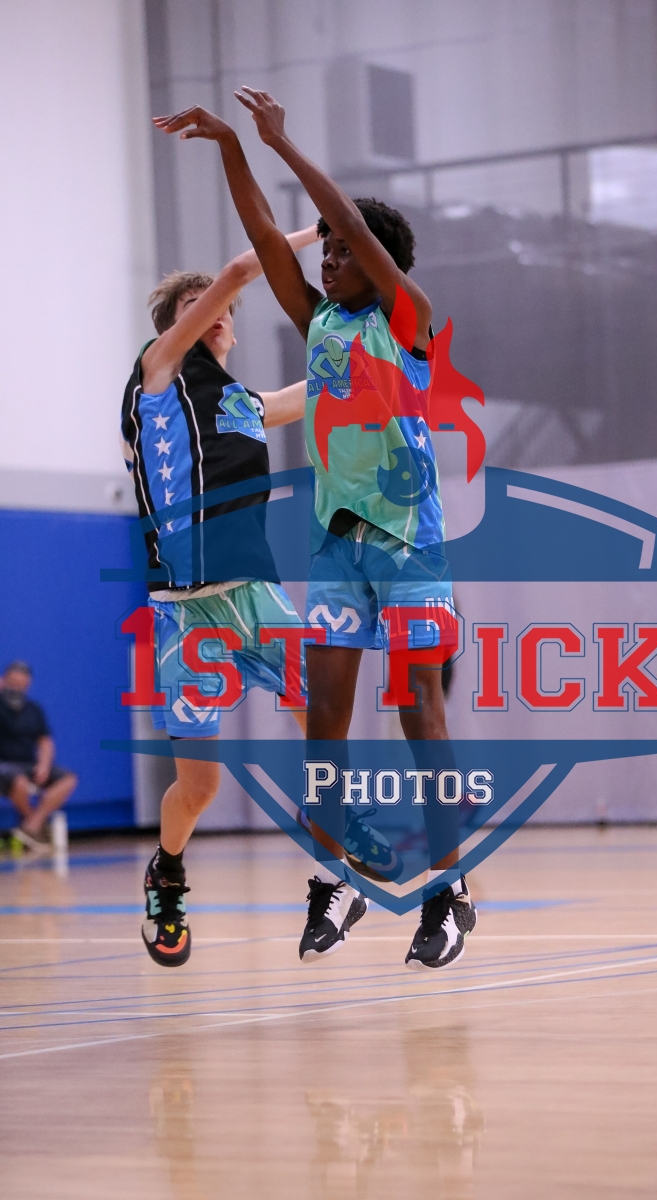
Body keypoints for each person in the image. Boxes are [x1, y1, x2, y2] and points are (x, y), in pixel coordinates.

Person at [154, 93, 476, 971]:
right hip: (336, 548)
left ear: (379, 263)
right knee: (323, 719)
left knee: (417, 712)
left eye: (340, 251)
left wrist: (285, 143)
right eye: (324, 250)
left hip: (408, 545)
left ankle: (449, 891)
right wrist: (232, 146)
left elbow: (354, 226)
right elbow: (266, 238)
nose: (328, 259)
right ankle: (335, 882)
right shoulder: (323, 323)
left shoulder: (408, 317)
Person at [122, 229, 318, 967]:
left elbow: (315, 395)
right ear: (182, 325)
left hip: (253, 593)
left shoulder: (240, 403)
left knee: (322, 704)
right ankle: (167, 872)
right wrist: (322, 231)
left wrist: (381, 357)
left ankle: (337, 819)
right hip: (183, 608)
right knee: (200, 786)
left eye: (224, 311)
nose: (220, 315)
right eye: (204, 308)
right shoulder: (158, 374)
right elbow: (240, 268)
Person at [0, 661, 78, 850]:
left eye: (22, 684)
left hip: (28, 764)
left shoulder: (33, 709)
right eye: (13, 683)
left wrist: (43, 765)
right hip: (4, 765)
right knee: (18, 781)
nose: (16, 689)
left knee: (68, 779)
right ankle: (35, 826)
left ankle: (32, 825)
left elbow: (45, 742)